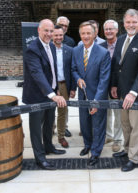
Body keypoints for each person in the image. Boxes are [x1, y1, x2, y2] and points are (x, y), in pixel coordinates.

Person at [111, 9, 138, 172]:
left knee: (136, 126)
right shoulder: (121, 39)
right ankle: (127, 149)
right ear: (124, 23)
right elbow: (117, 65)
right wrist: (114, 85)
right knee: (125, 123)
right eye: (128, 22)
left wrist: (133, 93)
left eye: (134, 22)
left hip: (137, 94)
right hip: (122, 91)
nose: (131, 25)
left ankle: (134, 157)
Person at [22, 19, 67, 170]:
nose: (49, 34)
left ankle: (49, 147)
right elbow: (37, 73)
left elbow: (51, 71)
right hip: (36, 96)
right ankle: (40, 158)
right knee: (36, 129)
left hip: (51, 93)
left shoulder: (52, 47)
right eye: (46, 31)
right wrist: (51, 94)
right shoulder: (32, 49)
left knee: (49, 123)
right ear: (39, 31)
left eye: (51, 31)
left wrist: (55, 89)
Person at [72, 21, 111, 166]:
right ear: (80, 35)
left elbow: (104, 79)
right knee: (84, 123)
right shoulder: (76, 51)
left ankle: (96, 151)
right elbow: (73, 69)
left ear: (95, 34)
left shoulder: (103, 53)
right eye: (83, 33)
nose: (86, 36)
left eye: (89, 33)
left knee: (98, 125)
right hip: (82, 95)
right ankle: (87, 144)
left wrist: (96, 101)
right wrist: (77, 78)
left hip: (97, 96)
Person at [100, 19, 123, 152]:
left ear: (116, 30)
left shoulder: (122, 45)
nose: (109, 31)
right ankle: (108, 136)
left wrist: (116, 85)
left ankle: (118, 139)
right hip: (103, 85)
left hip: (118, 86)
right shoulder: (101, 46)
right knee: (105, 112)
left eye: (111, 29)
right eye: (106, 29)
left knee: (118, 113)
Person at [52, 25, 77, 148]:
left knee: (62, 111)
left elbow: (73, 70)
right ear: (52, 35)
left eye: (60, 35)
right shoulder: (47, 49)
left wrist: (73, 88)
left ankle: (61, 136)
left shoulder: (69, 50)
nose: (58, 37)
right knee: (49, 111)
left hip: (64, 85)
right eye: (56, 35)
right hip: (51, 86)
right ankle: (49, 131)